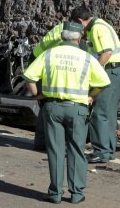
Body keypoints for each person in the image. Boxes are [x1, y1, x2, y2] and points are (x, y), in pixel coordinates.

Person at [23, 24, 111, 204]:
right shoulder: (86, 58)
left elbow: (29, 77)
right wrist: (90, 97)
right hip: (77, 109)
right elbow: (103, 83)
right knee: (76, 149)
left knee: (55, 150)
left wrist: (37, 95)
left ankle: (55, 193)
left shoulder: (48, 54)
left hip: (52, 107)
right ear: (79, 39)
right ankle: (76, 193)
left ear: (62, 37)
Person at [73, 6, 120, 163]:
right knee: (108, 112)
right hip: (117, 71)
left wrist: (95, 71)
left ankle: (101, 152)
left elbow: (107, 52)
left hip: (110, 71)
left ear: (79, 21)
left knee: (99, 112)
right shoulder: (101, 24)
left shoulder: (96, 28)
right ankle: (108, 150)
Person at [31, 21, 85, 151]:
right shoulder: (70, 37)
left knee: (46, 104)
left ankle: (41, 142)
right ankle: (52, 143)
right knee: (52, 103)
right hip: (48, 64)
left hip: (40, 59)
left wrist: (37, 95)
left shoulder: (61, 29)